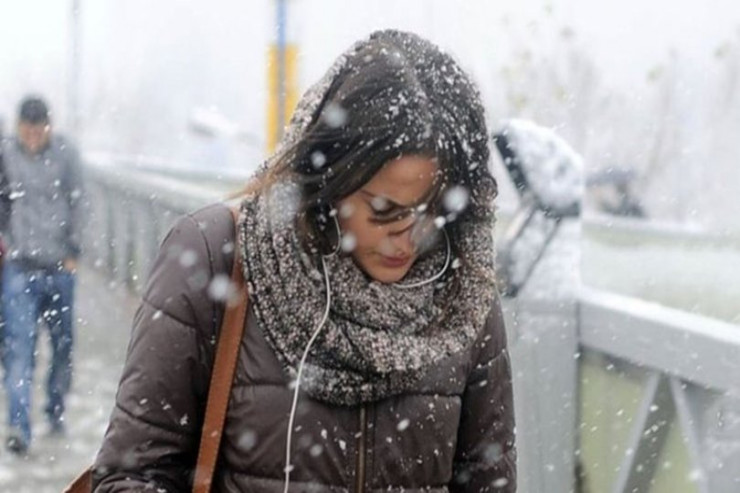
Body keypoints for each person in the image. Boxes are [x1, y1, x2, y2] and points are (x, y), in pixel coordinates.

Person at [93, 30, 516, 491]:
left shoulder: (461, 293)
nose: (411, 238)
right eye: (384, 211)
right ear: (328, 180)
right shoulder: (217, 254)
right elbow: (131, 474)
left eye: (434, 211)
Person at [0, 96, 84, 455]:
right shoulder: (6, 154)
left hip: (59, 266)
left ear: (49, 126)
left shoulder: (67, 155)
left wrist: (73, 250)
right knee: (19, 348)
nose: (33, 135)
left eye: (39, 129)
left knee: (63, 347)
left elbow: (79, 202)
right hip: (19, 267)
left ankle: (55, 410)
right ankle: (19, 426)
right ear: (19, 127)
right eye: (27, 129)